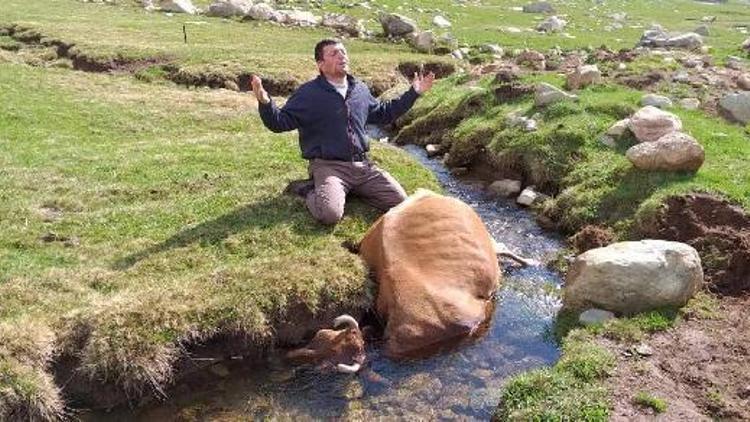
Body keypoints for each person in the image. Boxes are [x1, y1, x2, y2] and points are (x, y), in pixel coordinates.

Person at [250, 39, 435, 225]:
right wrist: (265, 103)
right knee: (330, 215)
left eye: (343, 52)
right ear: (320, 64)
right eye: (334, 53)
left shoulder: (360, 89)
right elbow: (280, 122)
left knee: (400, 203)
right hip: (329, 167)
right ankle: (308, 189)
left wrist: (414, 93)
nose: (342, 56)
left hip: (363, 167)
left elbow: (383, 114)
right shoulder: (308, 94)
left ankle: (347, 190)